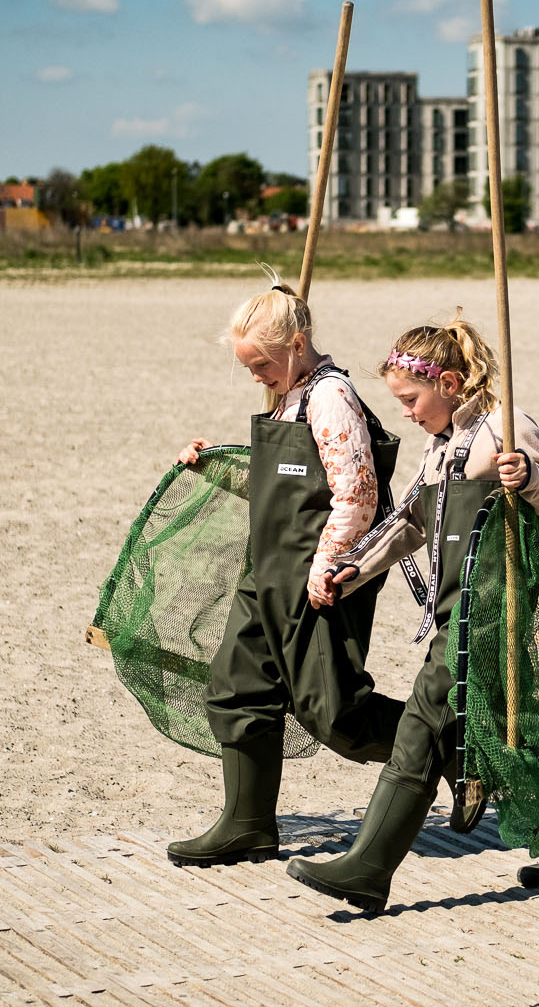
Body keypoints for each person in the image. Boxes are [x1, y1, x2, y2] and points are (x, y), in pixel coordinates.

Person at [287, 314, 539, 914]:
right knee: (526, 722)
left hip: (490, 612)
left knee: (422, 725)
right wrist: (354, 568)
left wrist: (529, 476)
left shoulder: (502, 430)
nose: (404, 412)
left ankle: (368, 868)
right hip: (451, 607)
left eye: (411, 399)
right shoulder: (439, 449)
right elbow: (410, 521)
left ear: (451, 383)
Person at [164, 277, 404, 868]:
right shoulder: (289, 396)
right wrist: (214, 466)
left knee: (335, 713)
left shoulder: (330, 397)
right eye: (247, 366)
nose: (255, 377)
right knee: (237, 690)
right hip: (265, 575)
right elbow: (279, 489)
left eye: (262, 363)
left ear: (297, 343)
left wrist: (327, 568)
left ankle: (449, 746)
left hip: (318, 582)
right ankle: (247, 825)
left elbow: (358, 496)